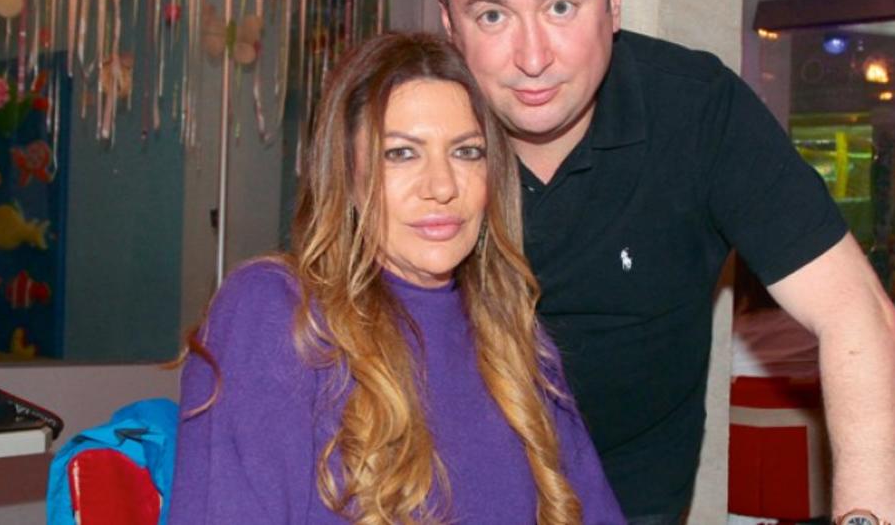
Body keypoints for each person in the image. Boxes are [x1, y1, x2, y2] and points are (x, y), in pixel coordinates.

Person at [433, 0, 895, 525]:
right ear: (449, 24)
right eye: (492, 15)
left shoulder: (696, 111)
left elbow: (858, 316)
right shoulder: (411, 136)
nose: (532, 56)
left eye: (561, 6)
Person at [168, 33, 625, 524]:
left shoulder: (517, 340)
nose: (442, 186)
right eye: (402, 153)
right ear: (348, 173)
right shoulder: (278, 313)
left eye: (467, 152)